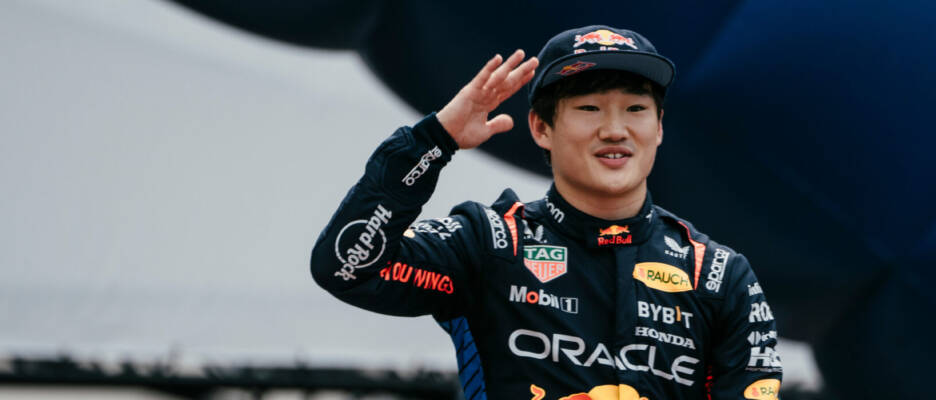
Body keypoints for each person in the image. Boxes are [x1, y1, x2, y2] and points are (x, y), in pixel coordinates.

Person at [311, 25, 783, 400]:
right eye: (590, 108)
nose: (615, 130)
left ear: (658, 127)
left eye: (636, 108)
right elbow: (347, 268)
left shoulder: (716, 275)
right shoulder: (491, 242)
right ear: (540, 127)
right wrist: (433, 141)